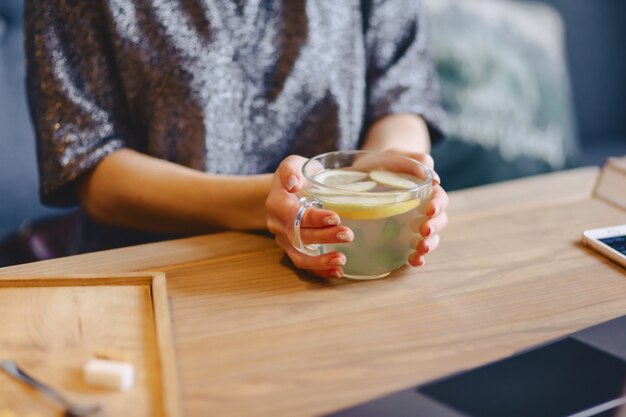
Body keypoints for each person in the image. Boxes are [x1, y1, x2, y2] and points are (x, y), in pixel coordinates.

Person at [25, 0, 449, 278]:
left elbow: (400, 93)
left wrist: (395, 173)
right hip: (159, 273)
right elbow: (90, 166)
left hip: (343, 261)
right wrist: (266, 202)